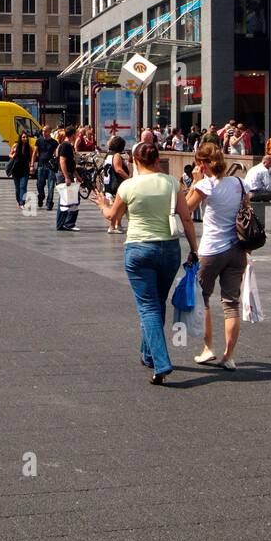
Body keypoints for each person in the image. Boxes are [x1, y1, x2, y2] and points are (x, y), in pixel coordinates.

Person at [91, 141, 199, 384]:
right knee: (157, 302)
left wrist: (102, 205)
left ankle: (161, 363)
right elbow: (187, 219)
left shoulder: (129, 186)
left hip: (139, 249)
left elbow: (112, 218)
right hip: (169, 248)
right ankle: (148, 353)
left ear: (136, 161)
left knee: (148, 306)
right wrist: (194, 249)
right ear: (156, 159)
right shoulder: (172, 183)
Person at [184, 142, 249, 370]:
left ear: (202, 164)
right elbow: (245, 212)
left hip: (212, 250)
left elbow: (185, 210)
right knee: (231, 304)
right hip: (237, 249)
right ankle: (228, 356)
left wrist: (193, 182)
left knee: (204, 299)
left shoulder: (205, 185)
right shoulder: (240, 183)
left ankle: (207, 348)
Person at [101, 135, 132, 230]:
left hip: (108, 183)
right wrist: (129, 179)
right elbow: (118, 169)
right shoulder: (117, 155)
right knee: (119, 206)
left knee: (114, 205)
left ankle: (115, 225)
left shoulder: (108, 154)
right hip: (115, 183)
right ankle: (114, 226)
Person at [55, 126, 80, 231]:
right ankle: (67, 224)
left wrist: (77, 176)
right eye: (76, 134)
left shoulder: (68, 146)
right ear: (73, 134)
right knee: (67, 200)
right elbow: (62, 161)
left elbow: (71, 164)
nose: (77, 136)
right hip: (65, 175)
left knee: (69, 200)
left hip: (68, 174)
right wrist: (66, 177)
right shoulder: (65, 146)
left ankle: (63, 224)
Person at [31, 124, 58, 211]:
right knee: (40, 184)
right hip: (41, 165)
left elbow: (56, 155)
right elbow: (35, 153)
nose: (43, 132)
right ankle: (41, 196)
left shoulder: (54, 142)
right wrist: (32, 165)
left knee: (51, 185)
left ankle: (49, 203)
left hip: (50, 166)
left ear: (50, 132)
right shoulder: (39, 141)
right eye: (42, 131)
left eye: (45, 131)